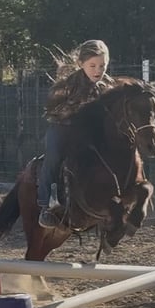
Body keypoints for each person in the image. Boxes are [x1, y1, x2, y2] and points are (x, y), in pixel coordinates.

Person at [37, 39, 115, 229]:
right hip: (63, 128)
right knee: (54, 156)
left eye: (102, 65)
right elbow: (53, 110)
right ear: (81, 64)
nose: (98, 70)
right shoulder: (67, 85)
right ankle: (46, 205)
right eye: (92, 66)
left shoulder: (109, 85)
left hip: (92, 131)